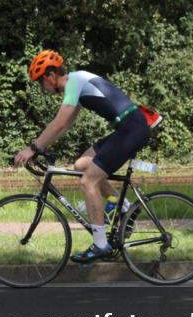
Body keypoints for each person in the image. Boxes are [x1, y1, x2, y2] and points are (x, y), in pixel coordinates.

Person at [13, 50, 153, 263]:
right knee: (81, 165)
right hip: (127, 128)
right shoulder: (77, 83)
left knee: (88, 182)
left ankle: (100, 244)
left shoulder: (74, 82)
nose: (42, 89)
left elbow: (59, 123)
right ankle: (124, 207)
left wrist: (32, 148)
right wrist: (41, 148)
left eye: (41, 82)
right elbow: (64, 126)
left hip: (130, 130)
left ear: (51, 76)